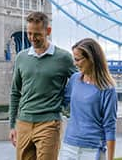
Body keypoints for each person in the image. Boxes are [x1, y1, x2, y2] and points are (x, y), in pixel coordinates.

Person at [9, 11, 77, 160]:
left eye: (37, 34)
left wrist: (67, 105)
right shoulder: (21, 57)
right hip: (23, 123)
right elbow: (15, 93)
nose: (32, 38)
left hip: (49, 123)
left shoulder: (64, 58)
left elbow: (80, 83)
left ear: (48, 31)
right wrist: (12, 125)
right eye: (29, 33)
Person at [60, 38, 118, 160]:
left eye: (77, 59)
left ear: (91, 58)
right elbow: (61, 103)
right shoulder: (74, 79)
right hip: (69, 146)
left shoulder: (107, 88)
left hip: (92, 150)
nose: (75, 64)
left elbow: (110, 126)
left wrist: (110, 158)